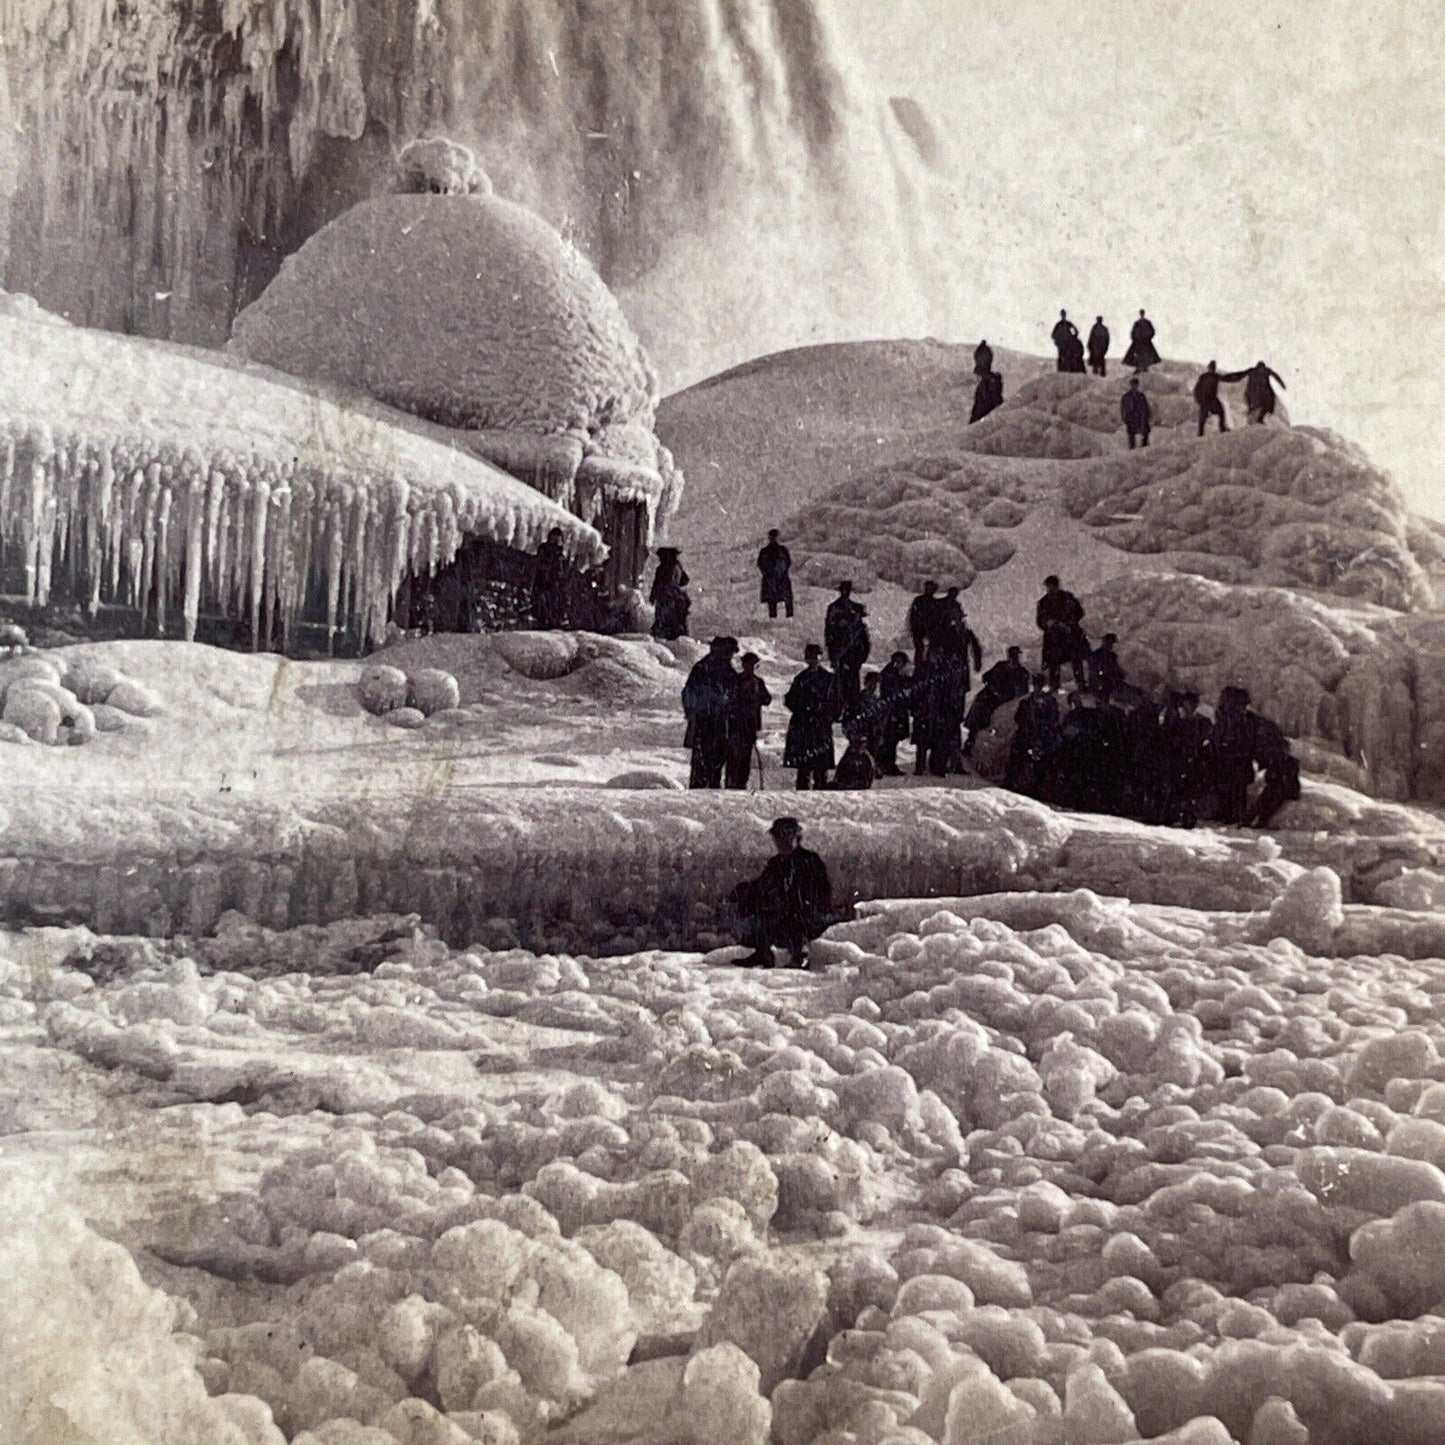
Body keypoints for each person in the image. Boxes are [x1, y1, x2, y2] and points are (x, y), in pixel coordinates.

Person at [729, 817, 834, 969]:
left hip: (810, 916)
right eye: (778, 838)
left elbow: (821, 893)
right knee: (761, 911)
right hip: (783, 915)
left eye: (785, 837)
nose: (781, 842)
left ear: (796, 838)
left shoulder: (810, 860)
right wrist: (742, 892)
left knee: (795, 913)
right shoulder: (775, 863)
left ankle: (800, 955)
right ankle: (763, 954)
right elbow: (761, 886)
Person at [681, 636, 738, 789]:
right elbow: (689, 693)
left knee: (716, 760)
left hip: (720, 722)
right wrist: (694, 713)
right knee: (703, 761)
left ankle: (710, 786)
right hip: (704, 721)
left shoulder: (727, 671)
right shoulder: (702, 669)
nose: (730, 656)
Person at [784, 644, 839, 790]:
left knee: (821, 767)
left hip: (820, 726)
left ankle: (820, 790)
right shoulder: (800, 678)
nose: (813, 659)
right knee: (804, 767)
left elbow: (837, 702)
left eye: (816, 655)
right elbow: (790, 700)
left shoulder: (829, 679)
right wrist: (804, 709)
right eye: (810, 655)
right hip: (804, 726)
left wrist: (825, 712)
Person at [964, 645, 1031, 752]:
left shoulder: (1022, 672)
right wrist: (992, 686)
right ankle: (971, 739)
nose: (1013, 658)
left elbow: (1022, 693)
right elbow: (986, 677)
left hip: (1006, 700)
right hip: (991, 696)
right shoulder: (1001, 666)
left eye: (1015, 656)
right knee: (979, 704)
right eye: (1012, 655)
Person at [1208, 685, 1257, 824]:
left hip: (1234, 759)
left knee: (1234, 789)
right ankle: (1233, 815)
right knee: (1234, 790)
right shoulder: (1233, 718)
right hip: (1234, 759)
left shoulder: (1235, 718)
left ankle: (1233, 815)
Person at [1006, 675, 1061, 794]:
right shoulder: (1026, 702)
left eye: (1040, 685)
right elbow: (1019, 718)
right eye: (1036, 685)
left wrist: (1043, 726)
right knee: (1018, 753)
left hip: (1044, 736)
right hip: (1027, 735)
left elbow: (1054, 720)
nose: (1038, 688)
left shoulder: (1050, 702)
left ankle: (1039, 786)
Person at [726, 652, 772, 789]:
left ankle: (741, 783)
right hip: (736, 724)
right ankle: (732, 783)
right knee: (734, 755)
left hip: (750, 725)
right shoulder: (736, 681)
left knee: (745, 756)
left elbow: (767, 699)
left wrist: (757, 698)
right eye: (748, 664)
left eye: (752, 665)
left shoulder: (758, 682)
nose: (750, 668)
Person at [1036, 575, 1087, 690]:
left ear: (1057, 586)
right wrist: (1049, 623)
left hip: (1069, 634)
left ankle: (1081, 683)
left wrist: (1068, 623)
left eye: (1052, 586)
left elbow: (1079, 613)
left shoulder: (1067, 598)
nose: (1050, 589)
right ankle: (1054, 685)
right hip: (1054, 637)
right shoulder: (1044, 602)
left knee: (1076, 657)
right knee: (1054, 660)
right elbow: (1040, 621)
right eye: (1048, 587)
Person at [825, 581, 871, 709]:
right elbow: (829, 633)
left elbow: (863, 637)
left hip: (853, 655)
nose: (845, 593)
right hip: (840, 652)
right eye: (844, 590)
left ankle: (852, 708)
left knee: (853, 684)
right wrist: (833, 655)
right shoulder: (834, 608)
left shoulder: (855, 608)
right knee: (841, 684)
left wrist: (862, 656)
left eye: (847, 590)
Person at [1248, 737, 1301, 828]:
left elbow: (1289, 778)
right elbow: (1268, 776)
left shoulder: (1291, 762)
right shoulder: (1277, 761)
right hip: (1277, 787)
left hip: (1287, 789)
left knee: (1270, 800)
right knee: (1264, 798)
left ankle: (1259, 820)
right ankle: (1251, 819)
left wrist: (1276, 778)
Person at [877, 652, 914, 775]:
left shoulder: (896, 674)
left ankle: (888, 764)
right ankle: (885, 764)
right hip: (890, 711)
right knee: (889, 740)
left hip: (897, 711)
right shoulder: (889, 674)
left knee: (892, 740)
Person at [1222, 361, 1287, 424]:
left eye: (1261, 370)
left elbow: (1239, 375)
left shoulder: (1258, 371)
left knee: (1267, 403)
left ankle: (1258, 417)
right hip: (1256, 393)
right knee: (1265, 403)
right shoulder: (1260, 371)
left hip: (1258, 393)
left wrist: (1224, 378)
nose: (1260, 371)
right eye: (1260, 370)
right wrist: (1225, 378)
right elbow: (1238, 375)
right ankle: (1256, 417)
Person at [530, 527, 569, 629]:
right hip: (544, 580)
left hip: (555, 581)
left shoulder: (559, 552)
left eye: (558, 538)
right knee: (544, 601)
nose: (556, 539)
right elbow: (540, 563)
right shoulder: (544, 548)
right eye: (555, 537)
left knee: (555, 601)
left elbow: (561, 567)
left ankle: (554, 621)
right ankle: (543, 620)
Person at [649, 548, 690, 640]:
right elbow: (686, 580)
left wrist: (653, 595)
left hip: (665, 598)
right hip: (677, 598)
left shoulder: (663, 568)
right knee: (677, 621)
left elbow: (657, 583)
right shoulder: (678, 566)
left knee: (664, 621)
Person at [757, 529, 794, 619]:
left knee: (775, 601)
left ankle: (786, 617)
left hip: (776, 579)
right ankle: (786, 617)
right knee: (776, 601)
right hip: (776, 579)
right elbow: (761, 564)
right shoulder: (767, 551)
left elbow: (787, 563)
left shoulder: (771, 551)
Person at [908, 580, 941, 668]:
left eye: (931, 588)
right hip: (919, 630)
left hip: (931, 631)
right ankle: (919, 667)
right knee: (920, 650)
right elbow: (913, 616)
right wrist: (914, 629)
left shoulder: (935, 603)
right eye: (928, 588)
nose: (929, 590)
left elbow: (937, 618)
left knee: (930, 651)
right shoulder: (919, 601)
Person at [1193, 361, 1229, 437]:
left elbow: (1196, 389)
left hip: (1206, 400)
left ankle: (1200, 434)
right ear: (1214, 368)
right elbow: (1227, 378)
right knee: (1221, 412)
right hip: (1211, 399)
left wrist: (1198, 400)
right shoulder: (1215, 376)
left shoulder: (1203, 376)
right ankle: (1222, 429)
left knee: (1202, 418)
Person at [1089, 633, 1126, 700]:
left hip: (1110, 682)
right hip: (1101, 681)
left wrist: (1121, 674)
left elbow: (1115, 668)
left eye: (1112, 643)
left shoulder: (1112, 656)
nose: (1111, 645)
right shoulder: (1097, 654)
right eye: (1110, 642)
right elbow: (1094, 669)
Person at [1121, 378, 1152, 449]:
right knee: (1131, 435)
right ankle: (1132, 449)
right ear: (1131, 385)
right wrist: (1124, 417)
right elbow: (1123, 408)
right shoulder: (1126, 397)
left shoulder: (1141, 396)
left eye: (1136, 385)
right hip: (1131, 418)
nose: (1135, 387)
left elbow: (1146, 406)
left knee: (1145, 432)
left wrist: (1148, 415)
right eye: (1133, 385)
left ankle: (1144, 447)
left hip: (1140, 417)